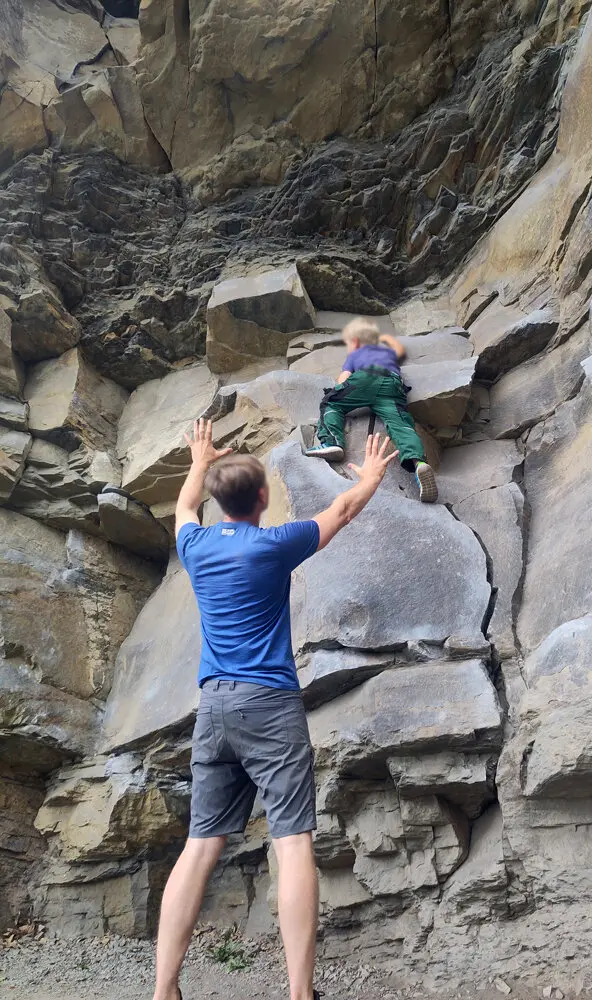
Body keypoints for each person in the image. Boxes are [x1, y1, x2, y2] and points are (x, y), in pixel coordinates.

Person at [152, 419, 399, 1000]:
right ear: (263, 498)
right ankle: (298, 993)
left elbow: (184, 507)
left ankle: (164, 989)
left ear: (219, 501)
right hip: (269, 704)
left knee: (200, 845)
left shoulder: (196, 544)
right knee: (291, 843)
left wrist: (198, 459)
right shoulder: (273, 544)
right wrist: (369, 476)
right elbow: (339, 512)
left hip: (213, 707)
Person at [305, 318, 438, 503]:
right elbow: (400, 350)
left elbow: (343, 380)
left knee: (331, 402)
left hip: (366, 377)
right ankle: (419, 463)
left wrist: (340, 390)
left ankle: (331, 442)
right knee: (400, 424)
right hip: (392, 384)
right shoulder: (387, 352)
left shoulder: (355, 355)